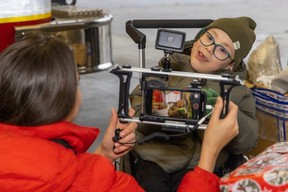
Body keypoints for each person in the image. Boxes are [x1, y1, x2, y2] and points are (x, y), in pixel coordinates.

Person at [0, 34, 239, 192]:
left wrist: (103, 155)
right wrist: (210, 152)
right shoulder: (115, 186)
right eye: (76, 83)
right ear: (67, 100)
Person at [129, 16, 259, 191]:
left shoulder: (236, 92)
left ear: (230, 65)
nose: (209, 49)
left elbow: (247, 141)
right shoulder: (167, 69)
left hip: (203, 164)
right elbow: (138, 109)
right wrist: (182, 105)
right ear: (199, 36)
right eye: (209, 37)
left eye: (221, 50)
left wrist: (225, 111)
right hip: (157, 159)